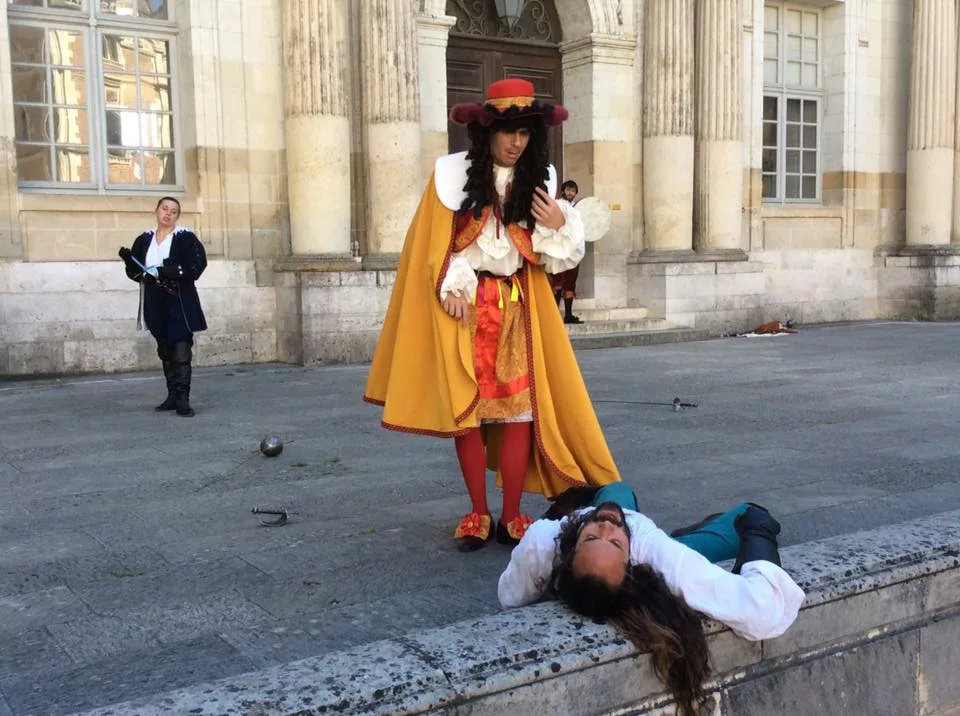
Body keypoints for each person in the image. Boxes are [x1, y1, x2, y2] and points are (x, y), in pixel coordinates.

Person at [364, 78, 621, 551]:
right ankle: (477, 513)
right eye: (507, 132)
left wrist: (561, 224)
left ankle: (512, 516)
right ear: (486, 133)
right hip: (467, 311)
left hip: (519, 309)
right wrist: (453, 284)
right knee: (471, 414)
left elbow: (548, 256)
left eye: (524, 132)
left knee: (519, 413)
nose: (516, 142)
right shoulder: (450, 178)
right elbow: (434, 247)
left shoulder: (537, 180)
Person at [498, 484, 805, 716]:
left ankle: (590, 500)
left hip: (596, 519)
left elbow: (510, 597)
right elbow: (761, 607)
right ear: (633, 567)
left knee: (616, 490)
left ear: (568, 549)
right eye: (614, 542)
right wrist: (760, 533)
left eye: (591, 537)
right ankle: (698, 535)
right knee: (747, 515)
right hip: (663, 545)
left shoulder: (543, 542)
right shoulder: (658, 558)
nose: (605, 526)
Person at [118, 197, 207, 417]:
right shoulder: (144, 239)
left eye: (174, 211)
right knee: (165, 348)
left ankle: (183, 399)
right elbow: (135, 272)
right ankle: (172, 395)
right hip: (154, 299)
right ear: (156, 211)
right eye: (164, 209)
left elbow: (196, 265)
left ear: (178, 216)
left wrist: (164, 271)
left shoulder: (185, 238)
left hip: (178, 299)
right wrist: (130, 261)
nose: (168, 214)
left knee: (180, 349)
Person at [550, 180, 582, 324]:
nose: (570, 193)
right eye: (568, 190)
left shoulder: (578, 209)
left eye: (573, 191)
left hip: (573, 252)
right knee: (557, 283)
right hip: (559, 250)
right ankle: (555, 317)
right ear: (563, 190)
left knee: (570, 283)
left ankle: (568, 315)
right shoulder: (557, 206)